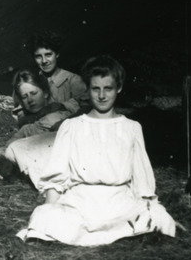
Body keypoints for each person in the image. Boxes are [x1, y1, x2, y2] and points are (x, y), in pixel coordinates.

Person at [16, 55, 176, 246]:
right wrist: (48, 207)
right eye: (95, 89)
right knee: (44, 216)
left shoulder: (131, 127)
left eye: (108, 88)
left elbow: (141, 178)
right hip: (80, 202)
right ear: (88, 89)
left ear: (119, 88)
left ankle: (130, 228)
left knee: (159, 216)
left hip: (120, 202)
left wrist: (153, 208)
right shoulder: (71, 126)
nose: (102, 96)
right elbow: (57, 175)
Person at [0, 67, 72, 185]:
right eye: (25, 97)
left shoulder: (65, 108)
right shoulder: (29, 128)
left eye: (33, 93)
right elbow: (5, 148)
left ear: (45, 93)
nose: (30, 100)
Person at [29, 30, 88, 114]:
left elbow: (87, 109)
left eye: (48, 55)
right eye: (38, 56)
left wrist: (63, 106)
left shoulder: (74, 80)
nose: (44, 61)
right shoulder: (32, 81)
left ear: (57, 54)